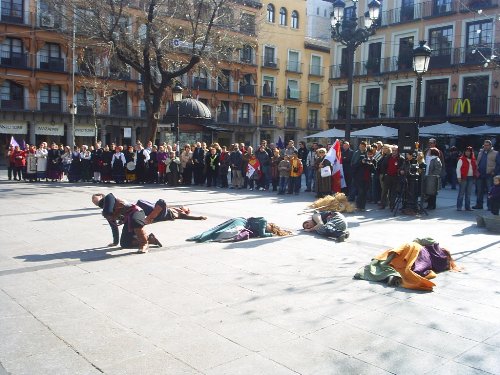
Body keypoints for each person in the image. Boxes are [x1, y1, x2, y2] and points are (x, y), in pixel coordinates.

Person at [91, 193, 162, 253]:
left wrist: (108, 214)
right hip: (128, 220)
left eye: (94, 198)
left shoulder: (109, 197)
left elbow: (108, 209)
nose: (93, 201)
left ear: (100, 196)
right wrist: (115, 242)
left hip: (136, 212)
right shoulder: (106, 211)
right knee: (125, 244)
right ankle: (150, 239)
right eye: (92, 201)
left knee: (135, 221)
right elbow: (114, 226)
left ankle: (144, 243)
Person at [186, 216, 292, 243]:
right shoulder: (264, 222)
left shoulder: (262, 221)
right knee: (222, 231)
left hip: (241, 220)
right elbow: (263, 234)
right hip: (241, 223)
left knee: (219, 229)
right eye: (271, 230)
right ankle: (203, 237)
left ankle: (202, 236)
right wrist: (271, 235)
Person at [473, 140, 500, 210]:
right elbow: (477, 162)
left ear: (491, 146)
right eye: (485, 145)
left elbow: (498, 164)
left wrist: (494, 172)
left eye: (487, 145)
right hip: (480, 175)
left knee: (490, 191)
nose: (486, 146)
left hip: (489, 175)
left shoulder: (495, 153)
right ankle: (479, 205)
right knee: (479, 191)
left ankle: (490, 206)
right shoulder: (480, 152)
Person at [456, 146, 477, 211]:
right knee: (461, 193)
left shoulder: (473, 160)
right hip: (463, 178)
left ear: (471, 152)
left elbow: (475, 169)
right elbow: (458, 169)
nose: (467, 152)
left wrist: (474, 177)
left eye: (469, 151)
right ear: (464, 152)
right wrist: (459, 177)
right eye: (466, 151)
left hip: (471, 178)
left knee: (468, 193)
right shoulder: (461, 159)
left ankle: (467, 207)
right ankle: (459, 207)